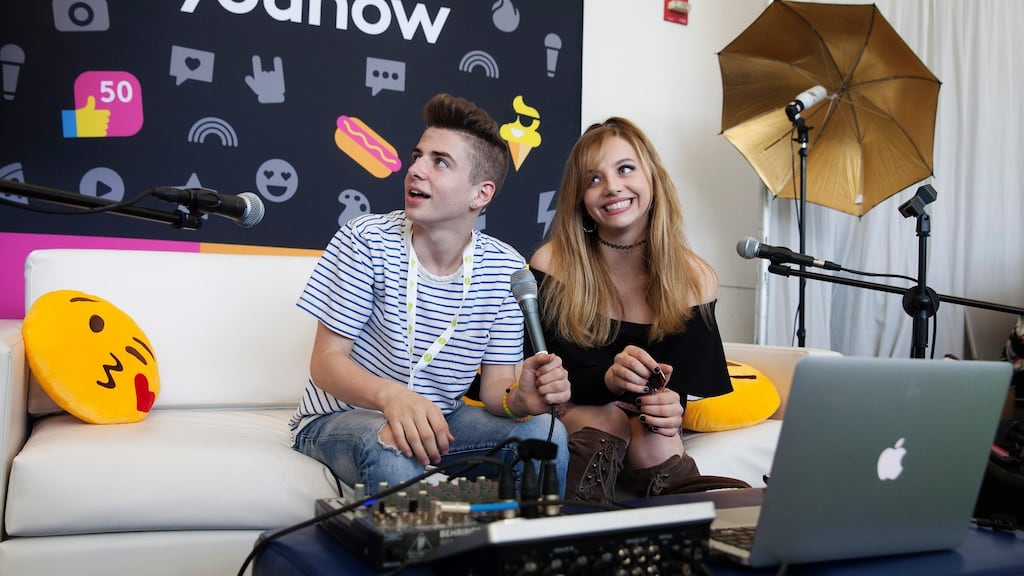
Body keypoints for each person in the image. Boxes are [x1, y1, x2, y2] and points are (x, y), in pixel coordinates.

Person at [290, 93, 571, 497]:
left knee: (548, 434)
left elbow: (496, 390)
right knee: (393, 443)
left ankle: (521, 541)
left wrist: (522, 399)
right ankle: (409, 543)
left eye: (440, 162)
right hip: (340, 420)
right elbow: (326, 363)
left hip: (442, 420)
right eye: (417, 156)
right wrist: (393, 398)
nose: (416, 169)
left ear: (481, 194)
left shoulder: (506, 268)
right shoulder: (364, 239)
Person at [529, 117, 748, 503]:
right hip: (577, 406)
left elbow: (681, 387)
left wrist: (670, 407)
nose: (612, 186)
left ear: (652, 178)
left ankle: (687, 528)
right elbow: (547, 379)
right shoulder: (552, 264)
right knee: (607, 419)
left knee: (654, 439)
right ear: (580, 198)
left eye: (625, 169)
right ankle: (578, 523)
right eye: (593, 179)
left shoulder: (695, 279)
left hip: (646, 425)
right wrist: (609, 381)